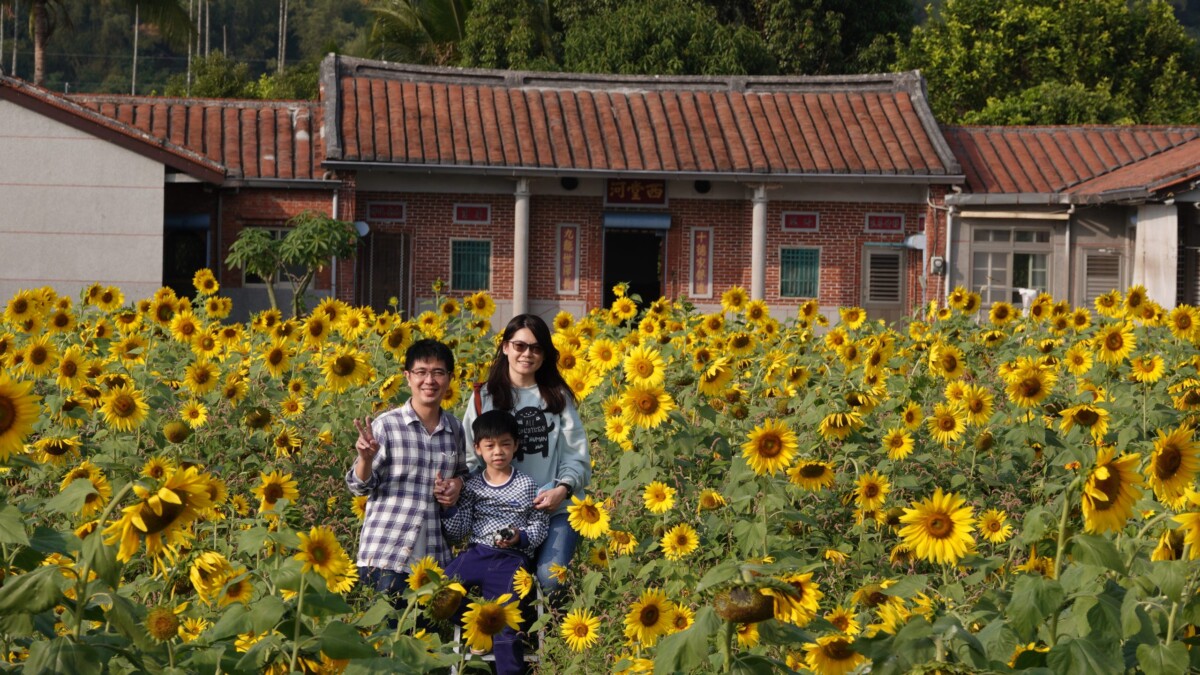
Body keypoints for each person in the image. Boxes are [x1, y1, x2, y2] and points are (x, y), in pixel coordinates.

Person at [461, 314, 590, 603]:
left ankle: (553, 635)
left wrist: (563, 488)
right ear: (505, 347)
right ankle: (514, 633)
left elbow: (576, 457)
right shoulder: (485, 397)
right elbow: (471, 457)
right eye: (520, 346)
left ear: (544, 355)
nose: (527, 354)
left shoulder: (557, 398)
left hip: (553, 509)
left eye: (536, 348)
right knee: (497, 578)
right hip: (498, 512)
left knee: (551, 578)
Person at [347, 338, 467, 607]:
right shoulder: (386, 426)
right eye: (421, 372)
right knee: (384, 639)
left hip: (434, 558)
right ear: (407, 377)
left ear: (449, 378)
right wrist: (364, 459)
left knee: (428, 642)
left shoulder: (455, 429)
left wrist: (457, 483)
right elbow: (359, 486)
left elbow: (464, 473)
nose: (430, 380)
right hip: (387, 552)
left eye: (438, 372)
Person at [442, 409, 548, 674]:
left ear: (516, 446)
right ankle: (478, 625)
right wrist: (448, 508)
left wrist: (519, 538)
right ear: (478, 449)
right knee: (437, 594)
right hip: (476, 552)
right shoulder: (473, 486)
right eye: (490, 446)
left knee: (505, 621)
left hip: (511, 560)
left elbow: (539, 525)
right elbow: (460, 529)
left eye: (505, 444)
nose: (498, 451)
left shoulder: (527, 485)